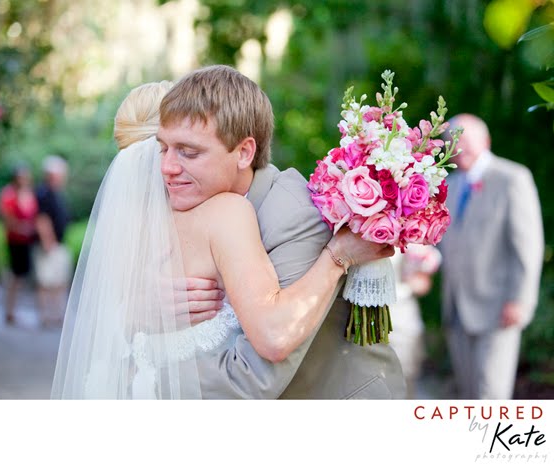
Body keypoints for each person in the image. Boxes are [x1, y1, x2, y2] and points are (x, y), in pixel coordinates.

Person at [51, 69, 405, 399]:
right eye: (162, 148)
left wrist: (138, 380)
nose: (167, 168)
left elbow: (254, 376)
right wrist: (138, 315)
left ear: (244, 152)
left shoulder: (295, 215)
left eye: (189, 152)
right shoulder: (175, 212)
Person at [439, 113, 544, 399]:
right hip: (456, 307)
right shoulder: (449, 185)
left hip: (499, 308)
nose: (460, 149)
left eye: (467, 141)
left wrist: (521, 300)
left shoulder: (512, 178)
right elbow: (441, 243)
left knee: (491, 397)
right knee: (468, 394)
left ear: (486, 140)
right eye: (453, 142)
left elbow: (529, 245)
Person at [389, 244, 441, 399]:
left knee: (404, 379)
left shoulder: (410, 234)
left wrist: (417, 277)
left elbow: (423, 284)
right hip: (364, 314)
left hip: (401, 316)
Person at [0, 165, 38, 325]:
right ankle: (9, 311)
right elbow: (6, 218)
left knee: (20, 277)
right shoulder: (9, 194)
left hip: (26, 240)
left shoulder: (28, 193)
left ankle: (13, 310)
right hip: (15, 240)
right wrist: (21, 227)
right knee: (14, 276)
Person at [34, 155, 71, 328]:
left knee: (58, 281)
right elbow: (42, 219)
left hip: (58, 243)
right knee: (46, 282)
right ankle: (45, 316)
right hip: (50, 245)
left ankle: (56, 314)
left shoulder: (55, 192)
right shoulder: (43, 192)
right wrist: (48, 242)